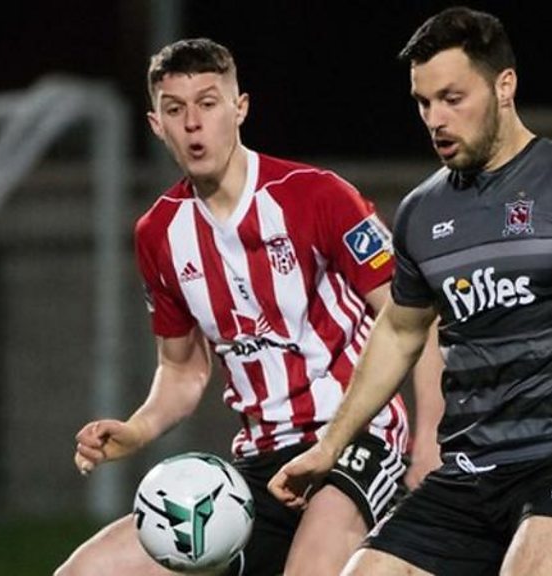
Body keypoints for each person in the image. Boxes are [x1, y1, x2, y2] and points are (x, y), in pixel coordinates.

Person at [266, 7, 552, 576]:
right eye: (424, 103)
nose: (436, 119)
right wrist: (329, 445)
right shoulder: (421, 212)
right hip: (467, 473)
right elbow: (399, 332)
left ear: (504, 86)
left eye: (452, 98)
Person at [56, 37, 443, 576]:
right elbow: (182, 369)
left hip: (358, 438)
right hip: (258, 463)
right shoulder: (158, 233)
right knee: (87, 571)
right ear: (156, 125)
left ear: (239, 108)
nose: (193, 123)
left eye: (208, 103)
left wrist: (429, 441)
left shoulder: (317, 195)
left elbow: (417, 319)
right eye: (175, 109)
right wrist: (137, 430)